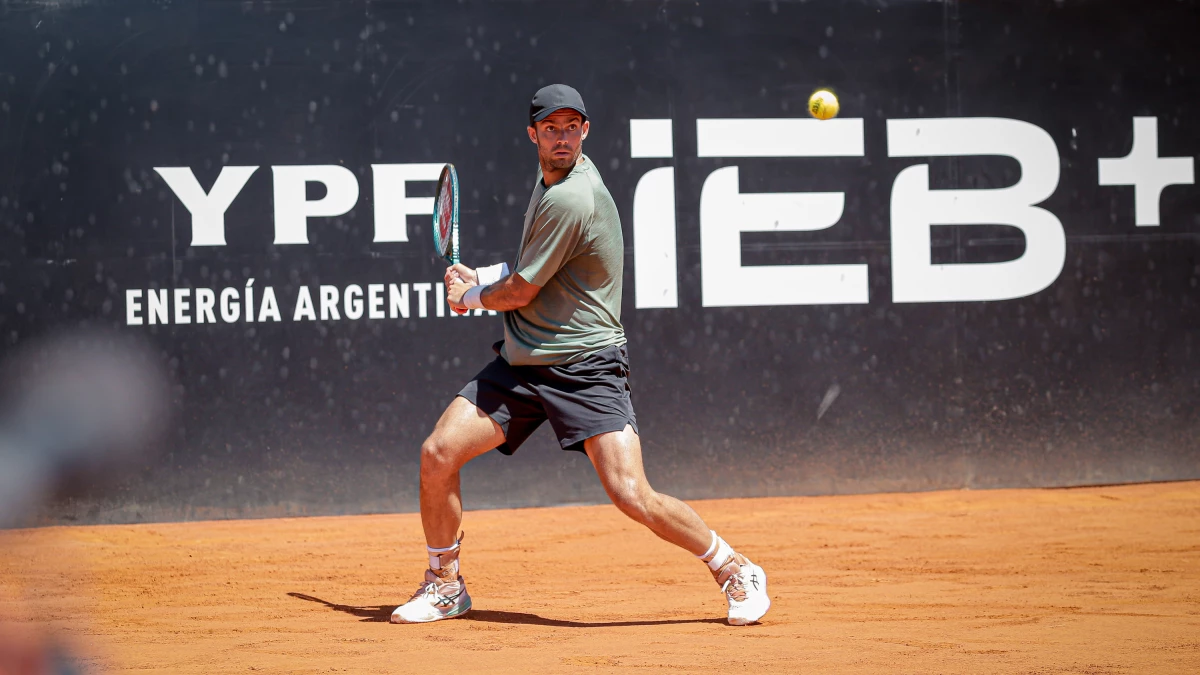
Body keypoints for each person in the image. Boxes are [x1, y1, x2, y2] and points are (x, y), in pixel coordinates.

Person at [390, 84, 770, 626]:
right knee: (438, 453)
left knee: (632, 494)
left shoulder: (572, 194)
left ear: (585, 131)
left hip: (586, 366)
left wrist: (469, 296)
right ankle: (445, 585)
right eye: (552, 128)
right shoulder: (550, 183)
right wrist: (484, 277)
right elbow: (537, 270)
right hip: (526, 359)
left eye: (572, 127)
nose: (562, 137)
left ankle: (735, 568)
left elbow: (521, 291)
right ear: (533, 134)